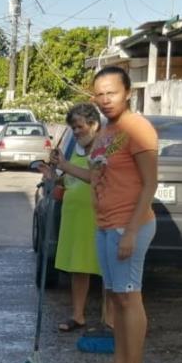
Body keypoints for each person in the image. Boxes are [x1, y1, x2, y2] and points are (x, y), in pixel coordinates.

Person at [81, 65, 159, 363]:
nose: (105, 99)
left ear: (127, 92)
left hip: (129, 224)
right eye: (99, 94)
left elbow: (150, 183)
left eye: (111, 92)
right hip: (106, 224)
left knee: (129, 297)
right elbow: (96, 177)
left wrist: (129, 232)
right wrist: (60, 166)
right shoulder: (108, 133)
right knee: (115, 297)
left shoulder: (138, 129)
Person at [46, 102, 113, 335]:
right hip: (75, 216)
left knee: (106, 268)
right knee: (78, 267)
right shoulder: (78, 148)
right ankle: (78, 315)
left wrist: (65, 165)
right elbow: (70, 180)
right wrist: (53, 175)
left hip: (97, 216)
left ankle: (110, 319)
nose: (76, 132)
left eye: (79, 127)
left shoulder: (104, 148)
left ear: (94, 125)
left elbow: (93, 177)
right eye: (73, 128)